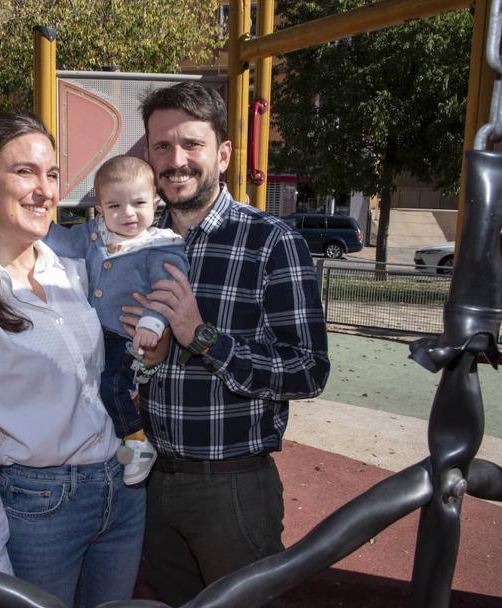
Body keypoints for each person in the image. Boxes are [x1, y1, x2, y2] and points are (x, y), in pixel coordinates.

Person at [0, 112, 146, 607]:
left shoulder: (73, 272)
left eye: (52, 174)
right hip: (42, 508)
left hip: (121, 488)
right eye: (25, 172)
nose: (45, 190)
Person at [126, 81, 330, 604]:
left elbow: (309, 371)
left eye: (191, 144)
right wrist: (145, 359)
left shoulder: (272, 241)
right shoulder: (137, 242)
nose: (176, 161)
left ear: (222, 154)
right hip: (151, 477)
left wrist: (202, 337)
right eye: (162, 146)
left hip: (232, 487)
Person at [44, 154, 188, 485]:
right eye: (115, 206)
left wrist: (152, 323)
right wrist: (34, 227)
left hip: (127, 334)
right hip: (94, 332)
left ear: (155, 203)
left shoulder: (159, 245)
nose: (128, 214)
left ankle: (137, 441)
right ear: (100, 210)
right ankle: (112, 440)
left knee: (111, 385)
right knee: (84, 385)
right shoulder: (95, 235)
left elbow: (167, 288)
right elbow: (61, 240)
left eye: (138, 203)